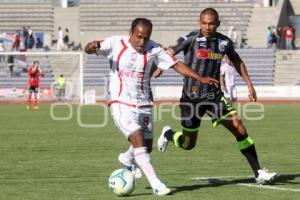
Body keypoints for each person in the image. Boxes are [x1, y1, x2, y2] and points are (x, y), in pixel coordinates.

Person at [84, 18, 218, 196]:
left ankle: (127, 157)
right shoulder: (115, 43)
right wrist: (91, 46)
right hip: (120, 102)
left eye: (146, 38)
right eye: (138, 37)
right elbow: (89, 48)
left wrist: (200, 78)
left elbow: (177, 65)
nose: (142, 42)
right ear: (131, 33)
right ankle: (156, 184)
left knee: (146, 147)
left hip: (144, 103)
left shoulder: (154, 49)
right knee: (137, 137)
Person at [157, 8, 277, 185]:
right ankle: (168, 134)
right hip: (191, 98)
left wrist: (249, 84)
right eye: (204, 23)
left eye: (211, 23)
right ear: (200, 22)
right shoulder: (190, 38)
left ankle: (258, 172)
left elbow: (237, 60)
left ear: (217, 24)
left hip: (214, 97)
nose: (207, 27)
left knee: (239, 127)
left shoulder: (224, 42)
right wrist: (161, 65)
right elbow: (170, 51)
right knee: (188, 144)